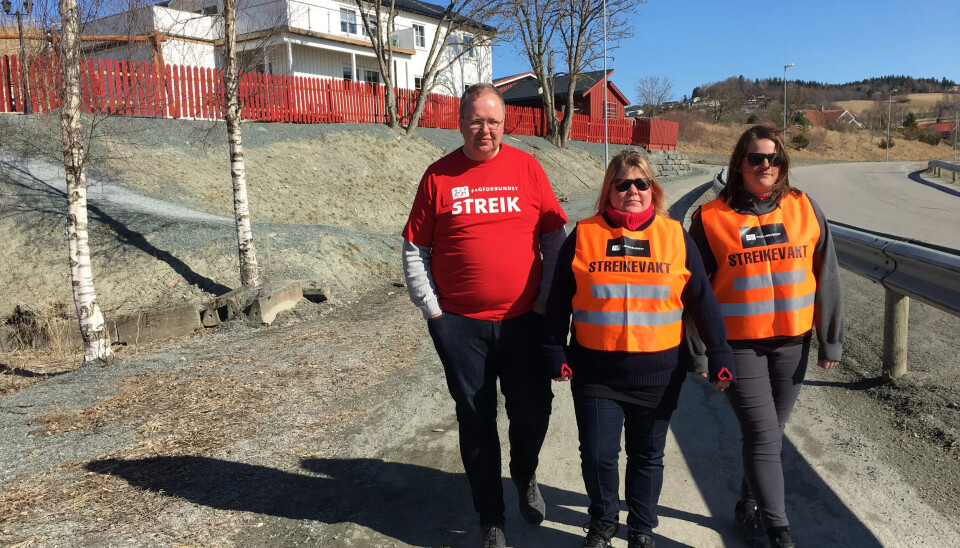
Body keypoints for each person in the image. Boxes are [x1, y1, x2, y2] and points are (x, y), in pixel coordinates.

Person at [401, 83, 569, 548]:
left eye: (493, 121)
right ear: (460, 123)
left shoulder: (527, 168)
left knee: (532, 411)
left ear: (504, 123)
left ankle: (525, 473)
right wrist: (433, 311)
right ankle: (490, 516)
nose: (485, 130)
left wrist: (545, 300)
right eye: (476, 121)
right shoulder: (438, 176)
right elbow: (415, 247)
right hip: (460, 324)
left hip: (524, 320)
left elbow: (555, 239)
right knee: (476, 420)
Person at [543, 150, 735, 548]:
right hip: (596, 374)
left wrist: (719, 353)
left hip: (659, 376)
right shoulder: (584, 234)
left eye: (641, 183)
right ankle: (602, 523)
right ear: (608, 190)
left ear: (653, 189)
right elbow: (559, 298)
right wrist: (555, 349)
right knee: (598, 456)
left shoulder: (674, 236)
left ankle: (642, 530)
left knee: (647, 455)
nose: (632, 190)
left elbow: (703, 300)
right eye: (622, 183)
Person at [688, 125, 844, 548]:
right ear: (739, 163)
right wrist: (699, 352)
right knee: (761, 434)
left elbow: (826, 273)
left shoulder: (805, 207)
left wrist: (830, 337)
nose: (765, 165)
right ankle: (779, 530)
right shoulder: (710, 217)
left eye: (773, 158)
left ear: (783, 163)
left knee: (770, 432)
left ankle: (748, 502)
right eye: (756, 158)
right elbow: (695, 290)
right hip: (737, 346)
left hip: (793, 342)